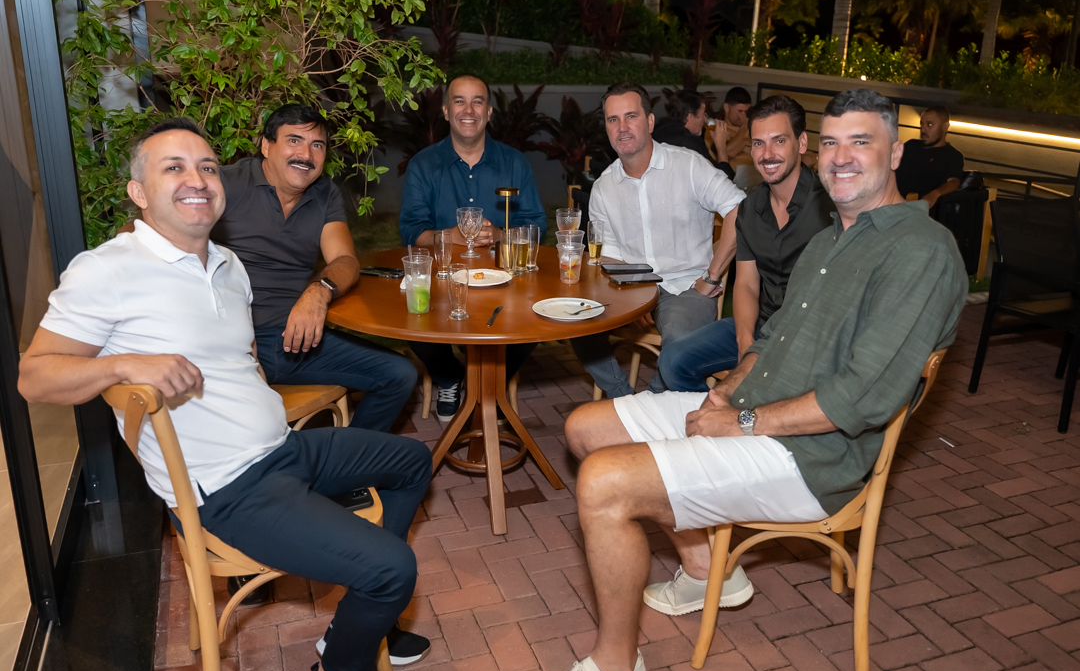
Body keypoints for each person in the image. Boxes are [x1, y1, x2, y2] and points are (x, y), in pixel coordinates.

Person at [521, 89, 968, 671]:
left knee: (603, 482)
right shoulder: (831, 239)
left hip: (813, 455)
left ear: (895, 155)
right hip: (760, 411)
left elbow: (861, 399)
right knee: (585, 427)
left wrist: (743, 420)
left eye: (861, 142)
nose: (841, 158)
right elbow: (772, 336)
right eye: (833, 143)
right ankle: (706, 570)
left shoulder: (920, 251)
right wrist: (730, 388)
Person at [18, 119, 435, 671]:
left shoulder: (228, 265)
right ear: (139, 192)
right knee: (392, 567)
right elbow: (34, 376)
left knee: (412, 461)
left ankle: (355, 622)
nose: (197, 179)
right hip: (228, 489)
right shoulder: (107, 269)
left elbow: (245, 361)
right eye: (174, 168)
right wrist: (123, 365)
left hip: (283, 449)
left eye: (207, 167)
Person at [208, 103, 417, 434]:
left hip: (294, 338)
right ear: (266, 145)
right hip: (231, 344)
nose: (306, 154)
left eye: (317, 145)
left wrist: (319, 292)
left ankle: (351, 459)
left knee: (399, 374)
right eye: (294, 140)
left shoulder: (324, 193)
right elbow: (151, 233)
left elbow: (345, 261)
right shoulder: (225, 184)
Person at [570, 83, 745, 398]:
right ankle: (622, 397)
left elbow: (738, 209)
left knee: (680, 349)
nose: (622, 127)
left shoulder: (688, 165)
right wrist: (631, 298)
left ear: (650, 122)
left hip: (687, 287)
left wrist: (712, 276)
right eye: (613, 119)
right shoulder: (604, 187)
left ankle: (653, 402)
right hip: (631, 287)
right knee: (574, 318)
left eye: (631, 116)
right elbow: (608, 255)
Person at [658, 95, 834, 391]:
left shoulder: (830, 209)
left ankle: (733, 414)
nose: (767, 154)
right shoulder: (750, 209)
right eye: (758, 143)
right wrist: (744, 341)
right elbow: (747, 285)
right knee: (672, 361)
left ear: (802, 143)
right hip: (760, 325)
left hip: (809, 337)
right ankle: (715, 415)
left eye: (779, 141)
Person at [398, 74, 546, 420]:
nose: (469, 110)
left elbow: (537, 224)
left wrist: (501, 235)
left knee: (536, 318)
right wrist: (449, 235)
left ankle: (493, 383)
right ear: (446, 111)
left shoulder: (514, 163)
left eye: (477, 101)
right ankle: (449, 376)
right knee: (409, 314)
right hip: (443, 280)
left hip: (504, 281)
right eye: (459, 101)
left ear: (489, 112)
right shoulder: (423, 165)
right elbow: (410, 230)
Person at [652, 89, 735, 180]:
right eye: (703, 114)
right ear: (690, 117)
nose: (705, 120)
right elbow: (723, 179)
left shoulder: (657, 131)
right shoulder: (691, 142)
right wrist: (721, 145)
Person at [895, 105, 965, 208]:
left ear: (945, 127)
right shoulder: (911, 145)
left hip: (914, 207)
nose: (923, 129)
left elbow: (953, 182)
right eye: (922, 124)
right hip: (888, 201)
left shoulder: (952, 156)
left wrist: (935, 194)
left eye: (930, 125)